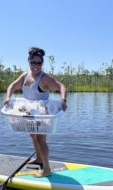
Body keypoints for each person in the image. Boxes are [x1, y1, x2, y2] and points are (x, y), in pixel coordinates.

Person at [4, 47, 67, 177]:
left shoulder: (45, 78)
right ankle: (39, 159)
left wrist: (63, 99)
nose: (36, 66)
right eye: (33, 63)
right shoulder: (25, 76)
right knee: (33, 135)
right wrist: (8, 98)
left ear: (42, 64)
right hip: (30, 111)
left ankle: (47, 169)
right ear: (29, 62)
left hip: (42, 113)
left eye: (39, 63)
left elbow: (61, 86)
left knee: (41, 139)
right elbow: (12, 86)